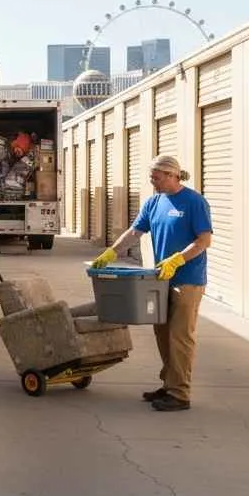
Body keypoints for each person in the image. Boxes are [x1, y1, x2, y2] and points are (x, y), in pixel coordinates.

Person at [91, 154, 212, 412]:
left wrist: (177, 260)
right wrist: (112, 251)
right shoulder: (154, 202)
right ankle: (169, 384)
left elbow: (204, 240)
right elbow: (135, 231)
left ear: (171, 175)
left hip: (187, 280)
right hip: (160, 279)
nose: (152, 182)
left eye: (156, 178)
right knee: (162, 334)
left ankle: (180, 394)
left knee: (180, 336)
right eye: (151, 178)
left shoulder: (194, 202)